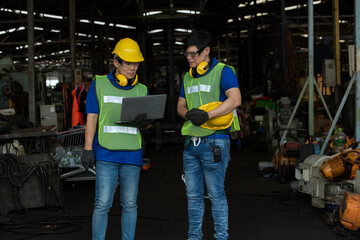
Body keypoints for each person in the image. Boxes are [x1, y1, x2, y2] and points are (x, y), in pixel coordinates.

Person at [81, 37, 151, 240]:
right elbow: (91, 118)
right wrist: (87, 148)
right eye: (128, 63)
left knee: (130, 204)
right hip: (106, 152)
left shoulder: (142, 90)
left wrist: (143, 123)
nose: (132, 68)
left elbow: (145, 125)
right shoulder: (99, 84)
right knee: (102, 204)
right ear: (116, 62)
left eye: (136, 63)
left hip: (132, 154)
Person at [177, 30, 241, 240]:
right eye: (186, 54)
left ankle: (220, 237)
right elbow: (180, 105)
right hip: (191, 143)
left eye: (194, 53)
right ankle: (193, 237)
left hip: (215, 140)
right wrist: (188, 114)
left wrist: (207, 115)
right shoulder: (187, 76)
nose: (189, 58)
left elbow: (235, 99)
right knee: (192, 196)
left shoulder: (224, 71)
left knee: (215, 194)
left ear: (207, 51)